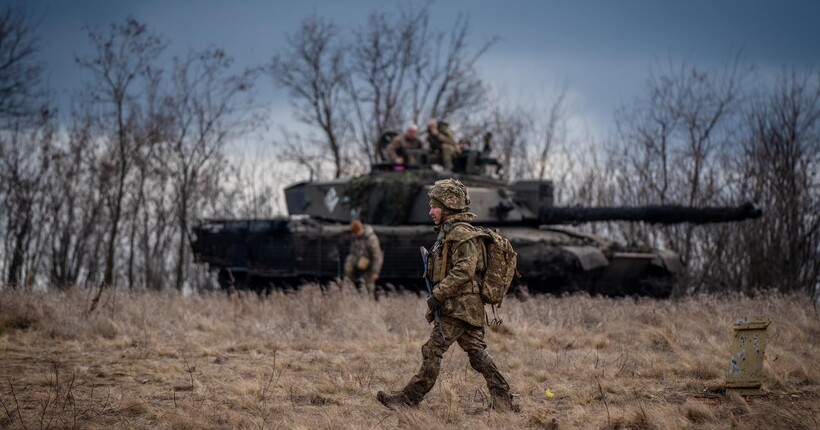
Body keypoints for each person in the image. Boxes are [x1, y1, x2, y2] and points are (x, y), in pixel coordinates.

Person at [377, 179, 518, 412]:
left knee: (432, 350)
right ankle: (503, 399)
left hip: (459, 306)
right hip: (463, 305)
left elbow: (465, 269)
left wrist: (438, 296)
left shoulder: (460, 234)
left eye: (434, 205)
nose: (430, 210)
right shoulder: (450, 232)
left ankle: (408, 400)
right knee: (477, 354)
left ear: (449, 205)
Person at [344, 220, 383, 300]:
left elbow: (377, 256)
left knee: (369, 288)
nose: (353, 235)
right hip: (361, 263)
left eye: (354, 233)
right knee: (349, 259)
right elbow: (354, 251)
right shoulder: (357, 238)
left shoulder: (371, 239)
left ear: (358, 231)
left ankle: (371, 305)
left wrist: (375, 272)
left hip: (370, 266)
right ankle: (351, 282)